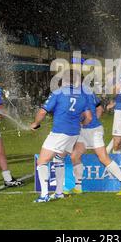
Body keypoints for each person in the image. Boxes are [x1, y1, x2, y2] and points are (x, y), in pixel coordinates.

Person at [30, 69, 92, 203]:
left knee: (42, 161)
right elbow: (88, 118)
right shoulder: (82, 96)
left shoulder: (58, 92)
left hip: (59, 132)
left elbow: (42, 112)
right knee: (59, 160)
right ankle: (58, 192)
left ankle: (44, 195)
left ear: (63, 80)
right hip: (74, 133)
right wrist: (79, 123)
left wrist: (35, 123)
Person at [67, 86, 121, 196]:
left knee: (103, 158)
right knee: (74, 156)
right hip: (84, 131)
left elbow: (84, 115)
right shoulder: (88, 92)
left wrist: (85, 122)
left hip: (93, 131)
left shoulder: (80, 95)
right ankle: (78, 187)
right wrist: (93, 120)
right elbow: (99, 108)